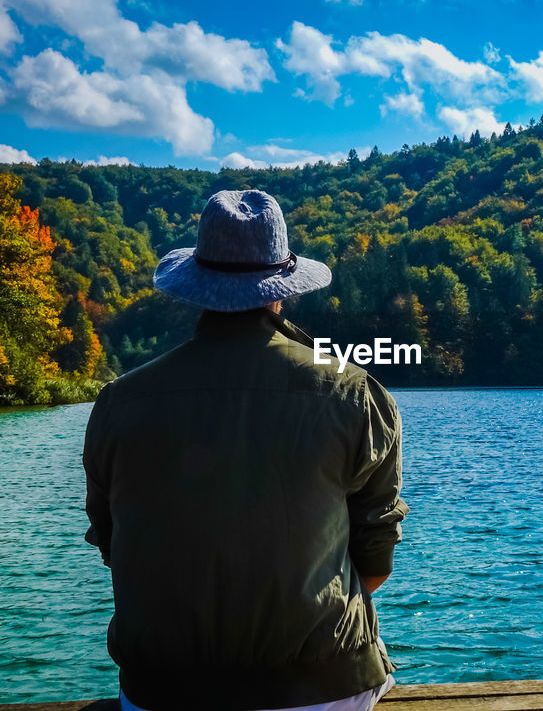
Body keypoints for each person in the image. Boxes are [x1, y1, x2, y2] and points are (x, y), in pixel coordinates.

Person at [81, 189, 409, 711]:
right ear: (283, 289)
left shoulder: (120, 401)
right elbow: (375, 560)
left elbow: (112, 546)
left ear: (198, 286)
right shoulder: (353, 392)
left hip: (161, 694)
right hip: (319, 693)